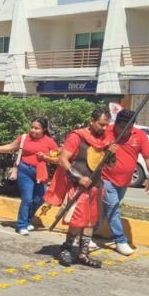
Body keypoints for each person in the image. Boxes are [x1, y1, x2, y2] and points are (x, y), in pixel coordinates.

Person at [45, 107, 116, 268]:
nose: (104, 128)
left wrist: (112, 153)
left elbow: (111, 165)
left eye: (107, 125)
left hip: (96, 186)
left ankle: (83, 254)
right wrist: (79, 177)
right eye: (101, 124)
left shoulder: (107, 139)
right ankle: (67, 248)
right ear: (91, 121)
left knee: (90, 222)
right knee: (77, 221)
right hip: (78, 186)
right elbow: (63, 160)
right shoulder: (77, 136)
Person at [94, 109, 149, 255]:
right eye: (122, 127)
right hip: (105, 178)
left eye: (129, 127)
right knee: (113, 208)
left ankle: (87, 234)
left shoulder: (140, 135)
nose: (125, 131)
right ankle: (120, 241)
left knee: (105, 210)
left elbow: (148, 157)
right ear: (115, 124)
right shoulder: (106, 131)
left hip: (124, 182)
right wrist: (105, 149)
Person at [0, 118, 59, 235]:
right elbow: (11, 147)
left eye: (37, 128)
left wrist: (46, 158)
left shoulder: (50, 142)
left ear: (44, 129)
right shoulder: (24, 138)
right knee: (27, 198)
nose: (33, 130)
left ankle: (27, 219)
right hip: (24, 170)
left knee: (40, 198)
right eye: (32, 127)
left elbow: (57, 159)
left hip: (40, 173)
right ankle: (22, 225)